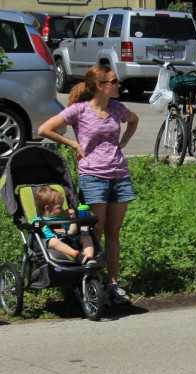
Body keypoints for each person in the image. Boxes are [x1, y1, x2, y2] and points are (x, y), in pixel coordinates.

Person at [38, 64, 139, 304]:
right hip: (93, 176)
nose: (118, 84)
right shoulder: (79, 110)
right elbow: (44, 129)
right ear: (100, 86)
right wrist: (73, 144)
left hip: (119, 175)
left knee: (114, 233)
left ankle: (113, 283)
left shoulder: (117, 108)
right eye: (113, 81)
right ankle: (90, 283)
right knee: (95, 232)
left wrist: (123, 142)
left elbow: (134, 121)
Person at [33, 185, 96, 266]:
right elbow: (34, 227)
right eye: (59, 207)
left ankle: (89, 258)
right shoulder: (39, 220)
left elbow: (72, 232)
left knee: (86, 235)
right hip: (54, 245)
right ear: (47, 208)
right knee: (53, 241)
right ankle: (76, 254)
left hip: (69, 240)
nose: (63, 209)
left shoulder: (63, 218)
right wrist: (37, 225)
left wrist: (73, 219)